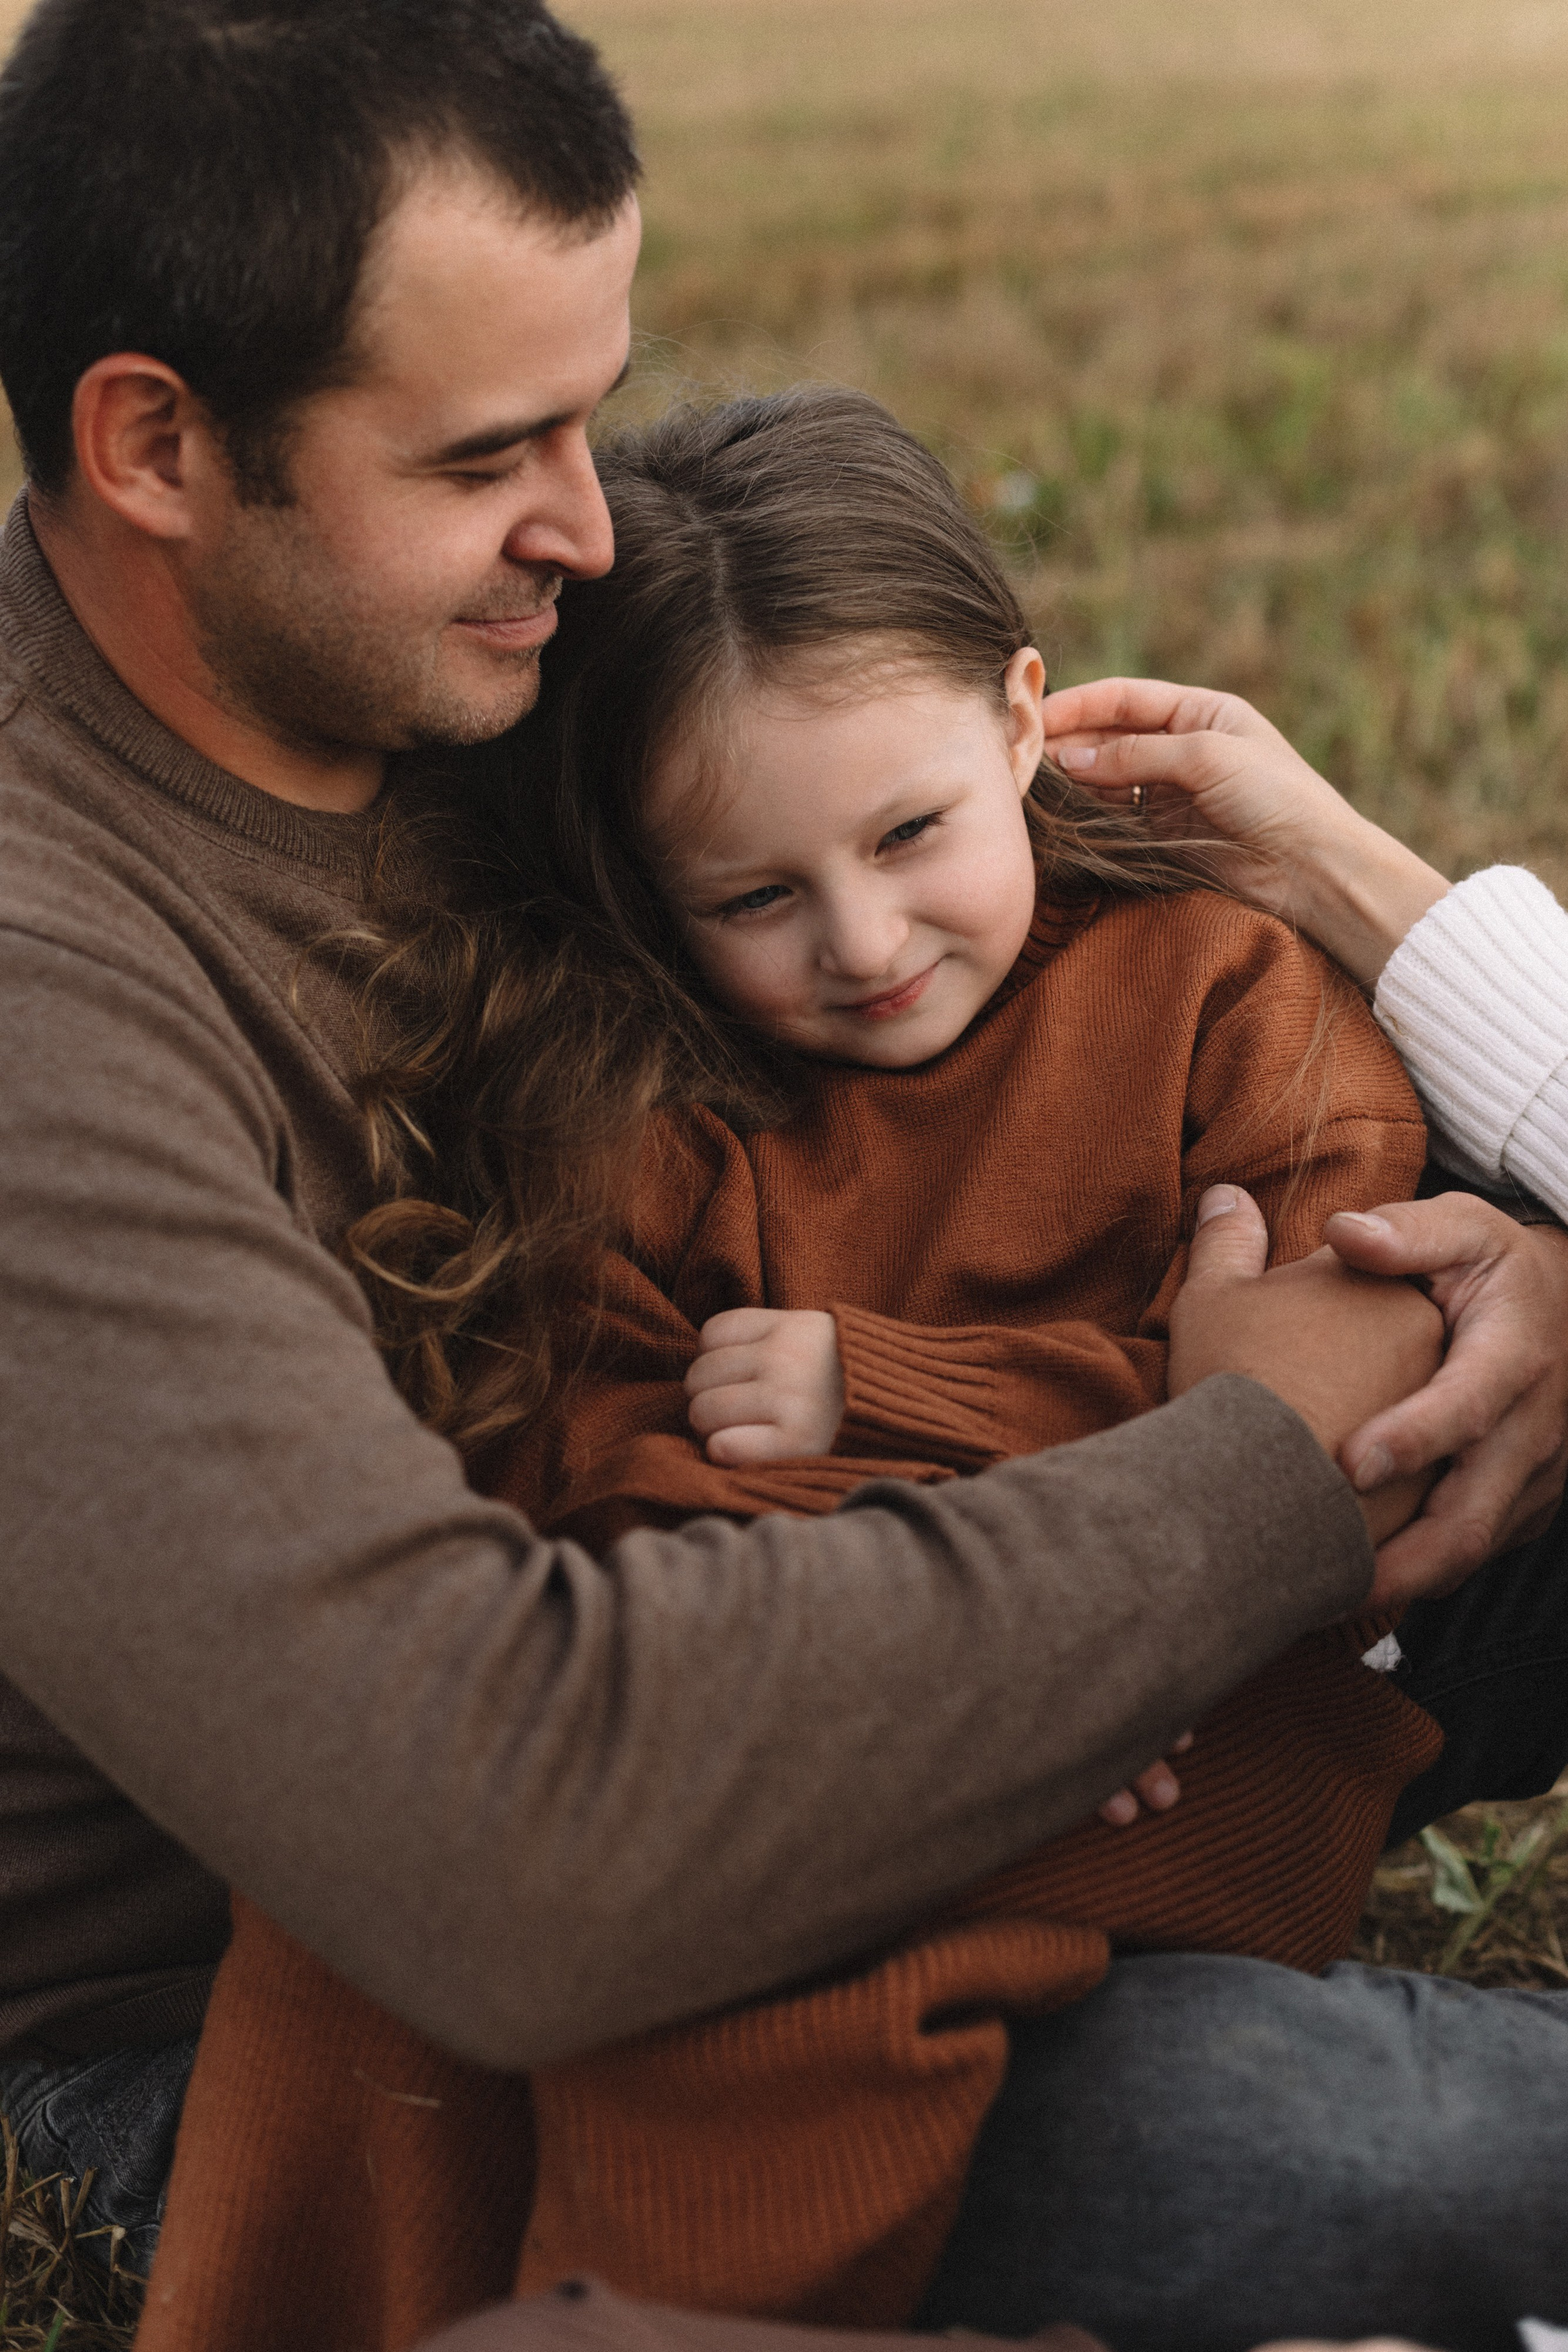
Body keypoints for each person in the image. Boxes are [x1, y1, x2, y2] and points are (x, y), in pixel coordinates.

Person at [0, 0, 1560, 2340]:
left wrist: (1492, 1250)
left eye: (591, 413)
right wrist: (1222, 1501)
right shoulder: (47, 1000)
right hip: (352, 2017)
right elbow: (496, 1834)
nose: (589, 531)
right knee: (1381, 2157)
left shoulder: (466, 668)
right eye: (487, 450)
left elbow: (979, 925)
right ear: (154, 444)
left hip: (948, 1633)